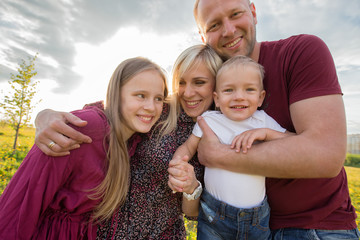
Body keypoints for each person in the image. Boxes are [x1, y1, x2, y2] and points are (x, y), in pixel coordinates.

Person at [193, 0, 359, 239]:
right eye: (214, 25)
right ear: (202, 36)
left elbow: (327, 154)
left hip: (316, 228)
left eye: (236, 14)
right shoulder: (212, 88)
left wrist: (218, 155)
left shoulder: (300, 52)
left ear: (253, 12)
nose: (228, 30)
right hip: (244, 228)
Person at [33, 44, 223, 239]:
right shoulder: (158, 108)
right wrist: (44, 115)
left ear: (216, 85)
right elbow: (103, 111)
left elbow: (192, 213)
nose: (188, 93)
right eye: (181, 82)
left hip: (165, 234)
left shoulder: (223, 133)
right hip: (111, 229)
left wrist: (191, 187)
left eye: (199, 82)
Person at [0, 57, 170, 239]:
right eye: (140, 95)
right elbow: (23, 199)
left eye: (158, 98)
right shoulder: (86, 127)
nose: (151, 107)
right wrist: (43, 115)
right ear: (116, 94)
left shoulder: (132, 140)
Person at [169, 55, 293, 240]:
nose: (238, 96)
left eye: (249, 89)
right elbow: (188, 147)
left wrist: (266, 133)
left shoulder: (263, 121)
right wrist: (178, 164)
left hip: (256, 218)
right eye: (229, 90)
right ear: (216, 99)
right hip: (213, 216)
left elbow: (292, 141)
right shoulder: (209, 120)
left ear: (260, 98)